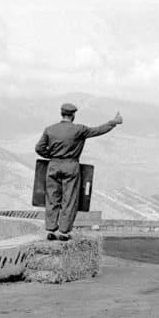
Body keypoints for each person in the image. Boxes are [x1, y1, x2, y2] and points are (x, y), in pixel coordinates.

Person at [35, 103, 122, 241]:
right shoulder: (79, 130)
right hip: (71, 165)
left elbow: (39, 148)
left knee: (52, 198)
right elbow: (98, 130)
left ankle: (51, 230)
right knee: (69, 199)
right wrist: (113, 122)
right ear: (73, 115)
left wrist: (51, 156)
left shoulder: (49, 130)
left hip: (53, 165)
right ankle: (64, 232)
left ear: (61, 113)